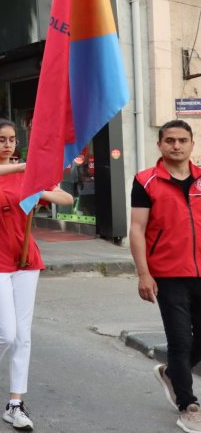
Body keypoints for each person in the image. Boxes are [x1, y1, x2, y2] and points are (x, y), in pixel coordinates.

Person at [0, 118, 73, 431]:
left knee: (23, 335)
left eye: (12, 139)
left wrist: (40, 189)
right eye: (2, 139)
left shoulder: (28, 176)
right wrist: (20, 169)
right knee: (7, 331)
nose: (8, 144)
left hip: (27, 259)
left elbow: (66, 199)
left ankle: (15, 402)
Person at [129, 120, 201, 432]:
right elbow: (137, 230)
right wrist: (144, 274)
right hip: (168, 275)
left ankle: (172, 373)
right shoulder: (145, 181)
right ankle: (188, 404)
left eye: (182, 140)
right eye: (169, 140)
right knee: (180, 339)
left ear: (192, 144)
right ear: (160, 144)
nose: (176, 145)